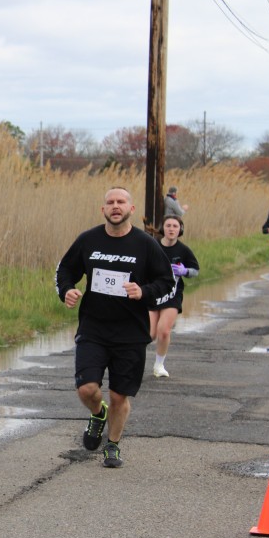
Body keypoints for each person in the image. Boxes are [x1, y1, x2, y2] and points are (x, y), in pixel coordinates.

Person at [55, 187, 175, 468]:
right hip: (93, 328)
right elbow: (65, 270)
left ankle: (113, 445)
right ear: (103, 210)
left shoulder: (145, 244)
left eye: (121, 202)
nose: (115, 206)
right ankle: (98, 414)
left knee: (120, 395)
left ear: (131, 209)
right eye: (110, 202)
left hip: (131, 332)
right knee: (87, 389)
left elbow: (167, 282)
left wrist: (143, 292)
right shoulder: (88, 240)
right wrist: (67, 290)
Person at [148, 215, 200, 378]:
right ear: (163, 228)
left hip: (173, 294)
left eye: (175, 226)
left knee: (164, 330)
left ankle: (159, 365)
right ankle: (132, 362)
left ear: (180, 229)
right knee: (150, 334)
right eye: (168, 225)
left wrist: (185, 271)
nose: (171, 229)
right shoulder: (152, 245)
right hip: (153, 293)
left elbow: (195, 271)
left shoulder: (183, 250)